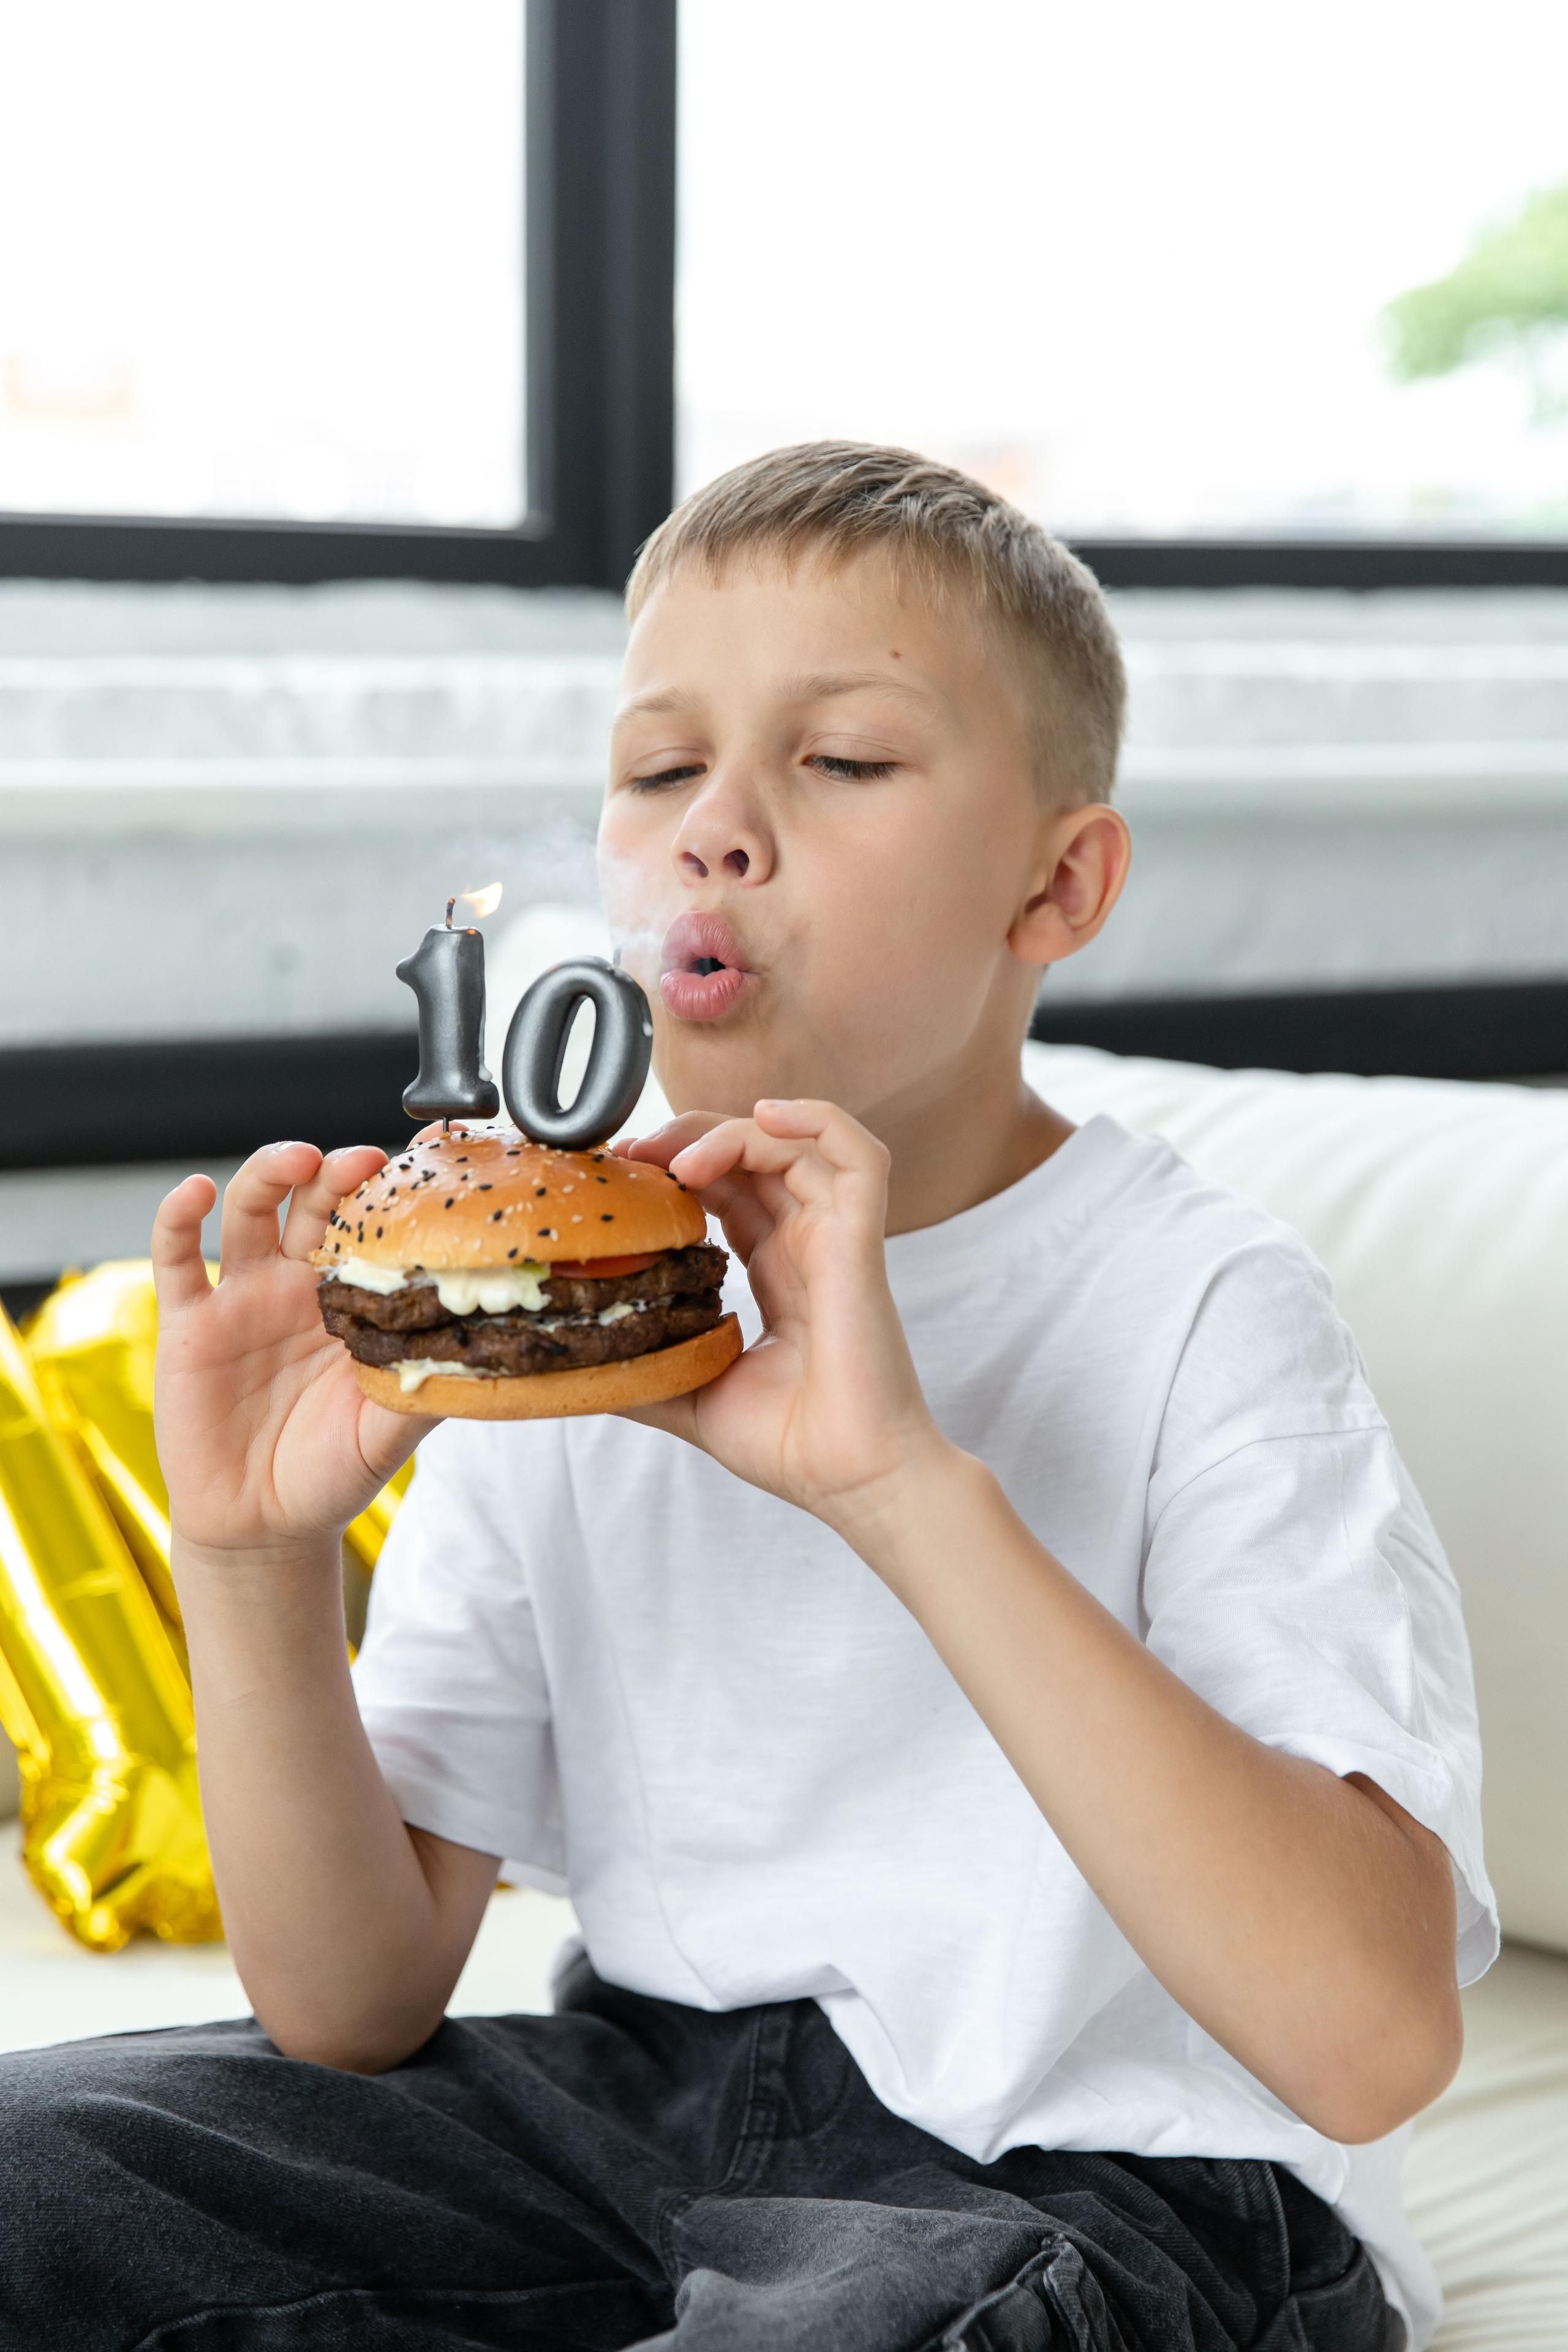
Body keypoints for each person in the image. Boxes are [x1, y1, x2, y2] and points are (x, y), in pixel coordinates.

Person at [0, 445, 1491, 2352]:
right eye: (655, 770)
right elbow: (350, 2007)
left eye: (841, 761)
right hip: (635, 2110)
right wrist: (252, 1556)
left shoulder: (1204, 1303)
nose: (713, 827)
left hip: (1097, 2175)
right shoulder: (568, 1294)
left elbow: (1369, 2047)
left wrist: (898, 1485)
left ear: (1058, 881)